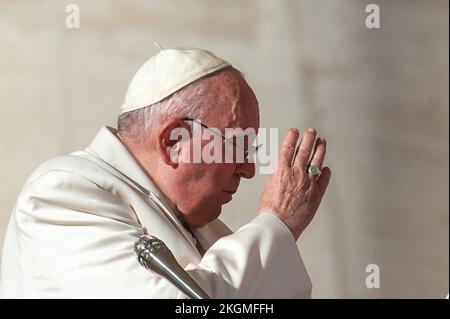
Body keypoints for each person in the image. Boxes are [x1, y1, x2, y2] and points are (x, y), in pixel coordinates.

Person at [0, 46, 331, 298]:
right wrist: (277, 222)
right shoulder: (61, 193)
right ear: (174, 141)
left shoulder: (212, 232)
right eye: (237, 147)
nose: (247, 170)